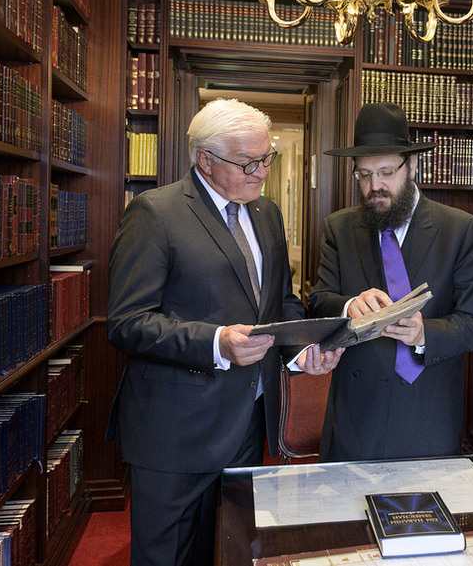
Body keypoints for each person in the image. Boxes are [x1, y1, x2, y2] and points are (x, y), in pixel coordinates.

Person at [106, 99, 339, 566]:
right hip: (174, 429)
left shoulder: (267, 214)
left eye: (266, 158)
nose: (262, 172)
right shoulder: (155, 213)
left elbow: (280, 303)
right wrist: (217, 344)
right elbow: (128, 322)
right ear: (204, 159)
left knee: (233, 549)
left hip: (251, 422)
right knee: (167, 557)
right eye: (248, 162)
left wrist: (306, 349)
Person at [308, 102, 473, 462]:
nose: (375, 186)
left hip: (427, 415)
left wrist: (425, 334)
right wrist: (348, 305)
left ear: (412, 166)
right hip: (356, 415)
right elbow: (318, 300)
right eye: (364, 175)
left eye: (386, 172)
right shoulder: (338, 228)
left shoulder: (460, 229)